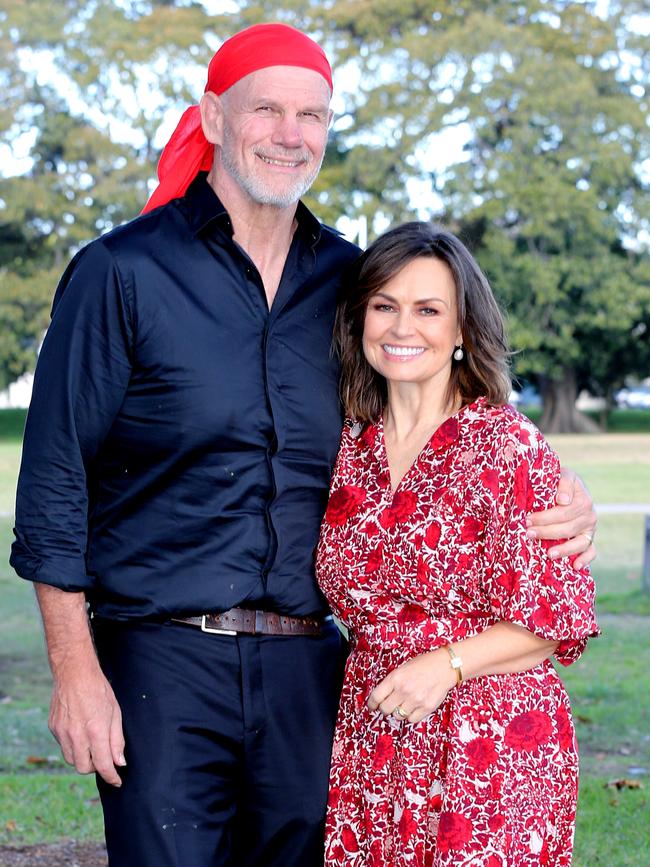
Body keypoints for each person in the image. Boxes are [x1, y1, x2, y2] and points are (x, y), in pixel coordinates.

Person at [10, 23, 595, 867]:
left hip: (313, 673)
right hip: (162, 659)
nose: (291, 134)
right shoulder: (121, 273)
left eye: (312, 115)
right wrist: (76, 673)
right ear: (213, 116)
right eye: (268, 109)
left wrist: (558, 493)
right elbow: (54, 480)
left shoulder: (355, 286)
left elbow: (442, 407)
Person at [316, 222, 600, 866]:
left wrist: (444, 665)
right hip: (375, 735)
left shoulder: (506, 445)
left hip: (491, 741)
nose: (401, 327)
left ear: (463, 331)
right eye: (384, 306)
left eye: (427, 310)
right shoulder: (347, 447)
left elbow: (555, 620)